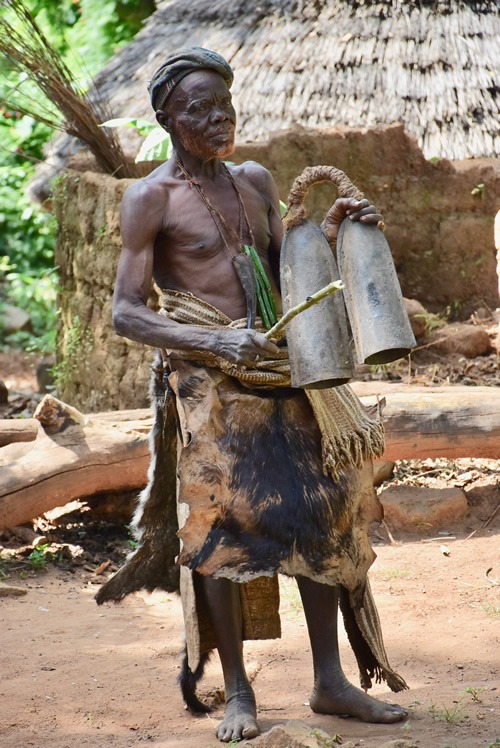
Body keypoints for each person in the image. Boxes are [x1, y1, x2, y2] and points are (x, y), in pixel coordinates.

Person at [99, 46, 408, 743]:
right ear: (168, 119)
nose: (217, 118)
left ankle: (330, 684)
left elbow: (281, 272)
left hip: (279, 365)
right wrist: (215, 342)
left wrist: (335, 231)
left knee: (322, 510)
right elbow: (125, 312)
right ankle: (239, 692)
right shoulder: (151, 197)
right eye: (199, 109)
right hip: (210, 377)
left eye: (225, 106)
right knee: (222, 530)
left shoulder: (254, 180)